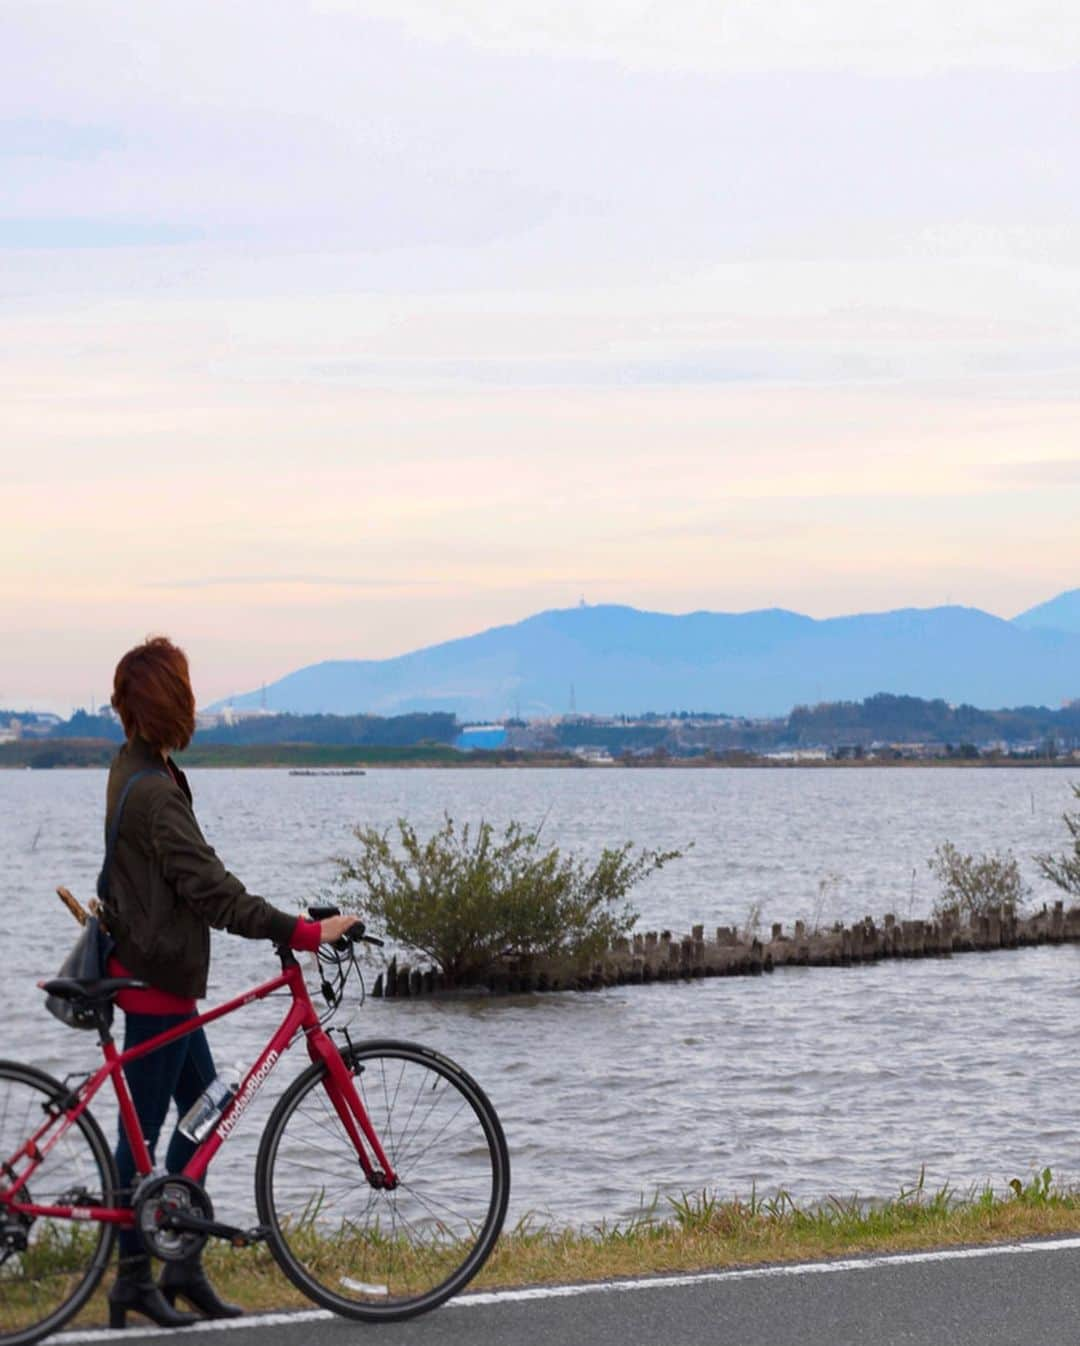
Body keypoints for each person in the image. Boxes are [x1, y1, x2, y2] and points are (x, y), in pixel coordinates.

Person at [102, 636, 358, 1329]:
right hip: (155, 986)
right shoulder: (153, 791)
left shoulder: (139, 768)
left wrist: (285, 916)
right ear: (172, 703)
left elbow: (197, 876)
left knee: (207, 1111)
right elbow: (211, 891)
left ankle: (182, 1263)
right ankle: (131, 1278)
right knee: (143, 1138)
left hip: (164, 976)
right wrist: (296, 932)